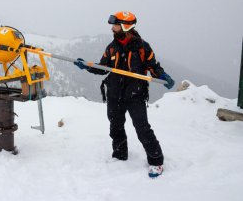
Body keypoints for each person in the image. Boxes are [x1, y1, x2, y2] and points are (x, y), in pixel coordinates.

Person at [74, 11, 175, 178]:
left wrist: (163, 76)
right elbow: (103, 67)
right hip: (114, 93)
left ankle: (156, 161)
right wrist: (87, 65)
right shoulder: (112, 47)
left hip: (135, 95)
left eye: (115, 25)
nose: (112, 28)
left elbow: (153, 66)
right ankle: (120, 155)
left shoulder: (142, 47)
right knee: (115, 127)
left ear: (125, 26)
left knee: (142, 129)